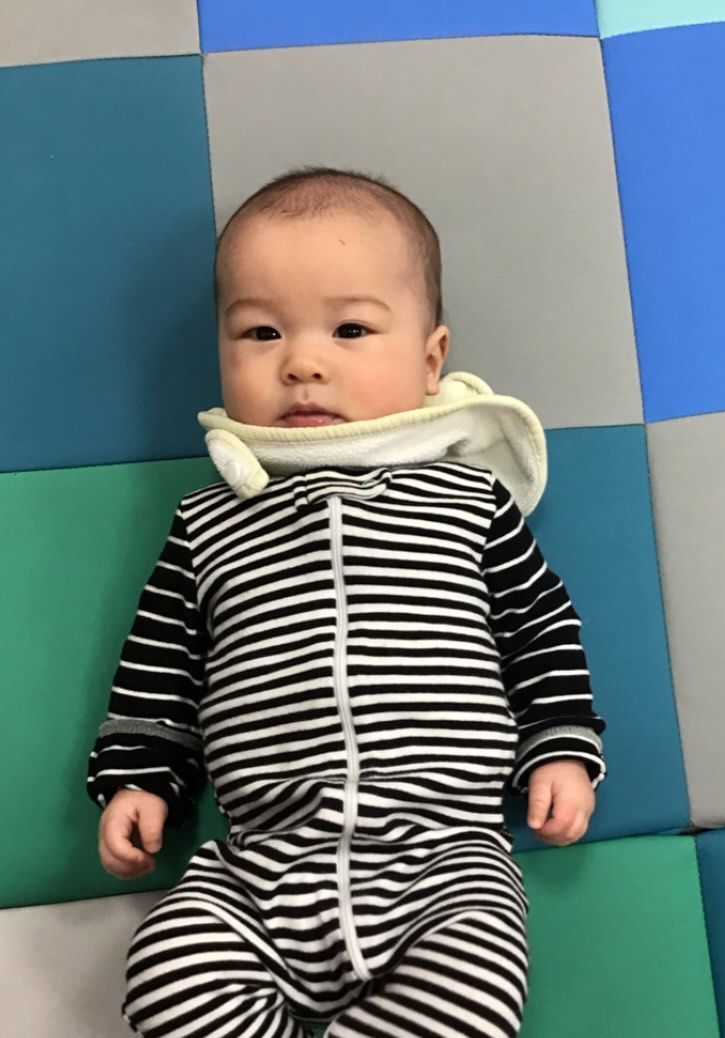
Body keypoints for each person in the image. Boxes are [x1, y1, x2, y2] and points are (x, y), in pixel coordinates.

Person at [87, 165, 607, 1038]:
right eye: (260, 332)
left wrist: (560, 746)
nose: (302, 362)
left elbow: (540, 630)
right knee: (165, 978)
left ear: (431, 359)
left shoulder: (467, 501)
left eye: (351, 329)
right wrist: (139, 776)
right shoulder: (210, 521)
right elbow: (161, 662)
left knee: (469, 997)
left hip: (445, 864)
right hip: (257, 867)